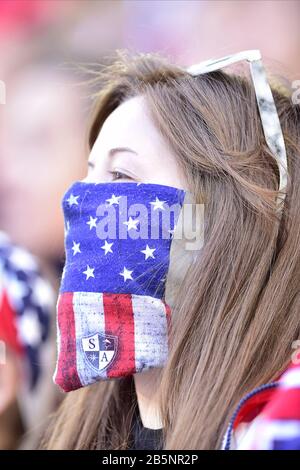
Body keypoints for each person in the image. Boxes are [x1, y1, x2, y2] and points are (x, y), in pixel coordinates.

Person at [41, 49, 300, 450]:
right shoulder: (83, 427)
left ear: (222, 220)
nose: (82, 201)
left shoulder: (279, 428)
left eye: (122, 175)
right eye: (89, 173)